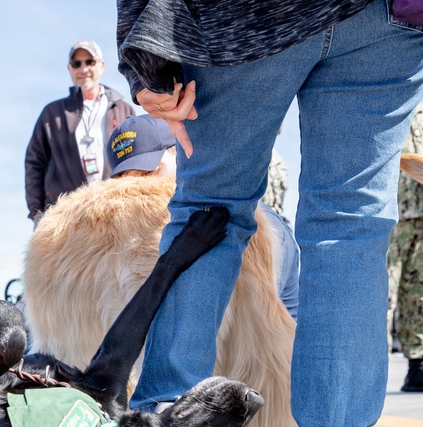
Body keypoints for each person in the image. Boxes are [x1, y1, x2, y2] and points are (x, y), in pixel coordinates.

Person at [118, 0, 423, 427]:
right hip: (388, 15)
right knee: (350, 224)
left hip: (245, 13)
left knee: (209, 208)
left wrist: (145, 56)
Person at [107, 114, 300, 321]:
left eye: (151, 173)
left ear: (183, 153)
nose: (141, 191)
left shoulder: (254, 226)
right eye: (126, 185)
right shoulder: (127, 243)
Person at [24, 40, 134, 226]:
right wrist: (37, 212)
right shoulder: (52, 114)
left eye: (89, 62)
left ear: (101, 65)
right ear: (69, 69)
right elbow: (34, 163)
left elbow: (136, 158)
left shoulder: (124, 110)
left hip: (115, 211)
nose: (83, 69)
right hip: (64, 216)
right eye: (77, 64)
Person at [389, 104, 423, 393]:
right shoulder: (386, 102)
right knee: (383, 294)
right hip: (393, 216)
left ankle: (417, 367)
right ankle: (368, 367)